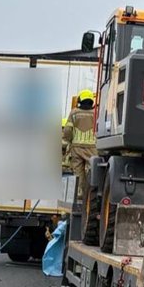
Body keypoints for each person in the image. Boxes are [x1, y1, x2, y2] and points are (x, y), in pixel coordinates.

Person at [64, 89, 98, 244]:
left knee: (78, 174)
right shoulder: (95, 113)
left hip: (77, 147)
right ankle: (89, 197)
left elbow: (68, 131)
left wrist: (68, 141)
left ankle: (79, 195)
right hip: (92, 148)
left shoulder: (74, 113)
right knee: (92, 173)